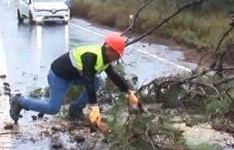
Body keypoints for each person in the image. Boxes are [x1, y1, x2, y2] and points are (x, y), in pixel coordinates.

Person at [9, 33, 140, 125]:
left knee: (96, 82)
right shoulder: (91, 56)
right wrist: (94, 106)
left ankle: (75, 110)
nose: (117, 57)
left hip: (74, 75)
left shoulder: (105, 58)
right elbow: (87, 80)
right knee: (53, 108)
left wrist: (128, 92)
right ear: (109, 49)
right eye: (117, 54)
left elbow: (113, 76)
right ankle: (20, 101)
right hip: (59, 76)